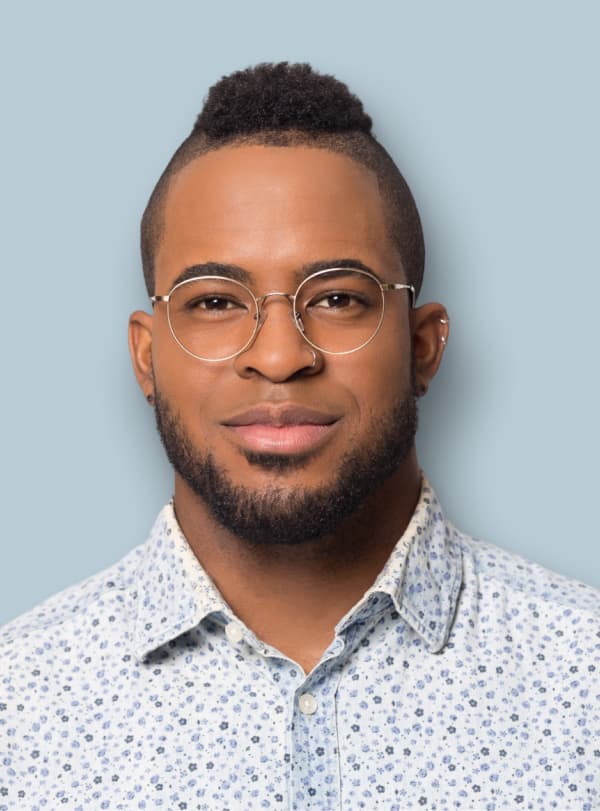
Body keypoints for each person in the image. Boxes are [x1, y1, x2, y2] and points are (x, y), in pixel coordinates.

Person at [1, 62, 599, 811]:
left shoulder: (586, 681)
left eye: (340, 297)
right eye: (216, 300)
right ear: (146, 357)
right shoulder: (18, 709)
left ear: (423, 345)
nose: (281, 356)